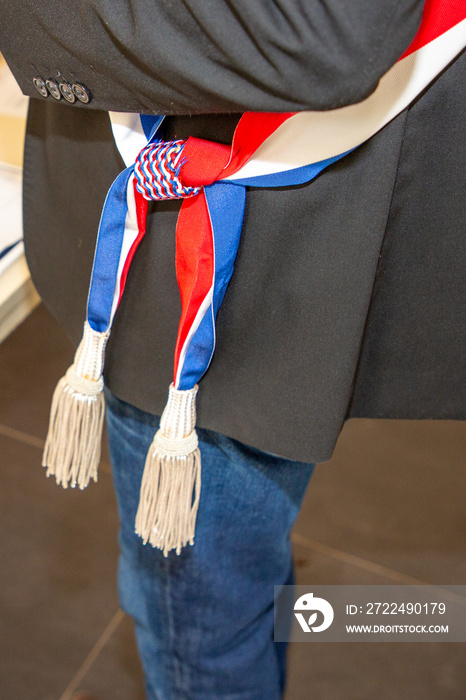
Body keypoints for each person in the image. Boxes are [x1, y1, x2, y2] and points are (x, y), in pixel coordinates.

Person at [1, 0, 465, 697]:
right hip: (227, 194)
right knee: (230, 585)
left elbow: (328, 38)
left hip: (241, 256)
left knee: (199, 618)